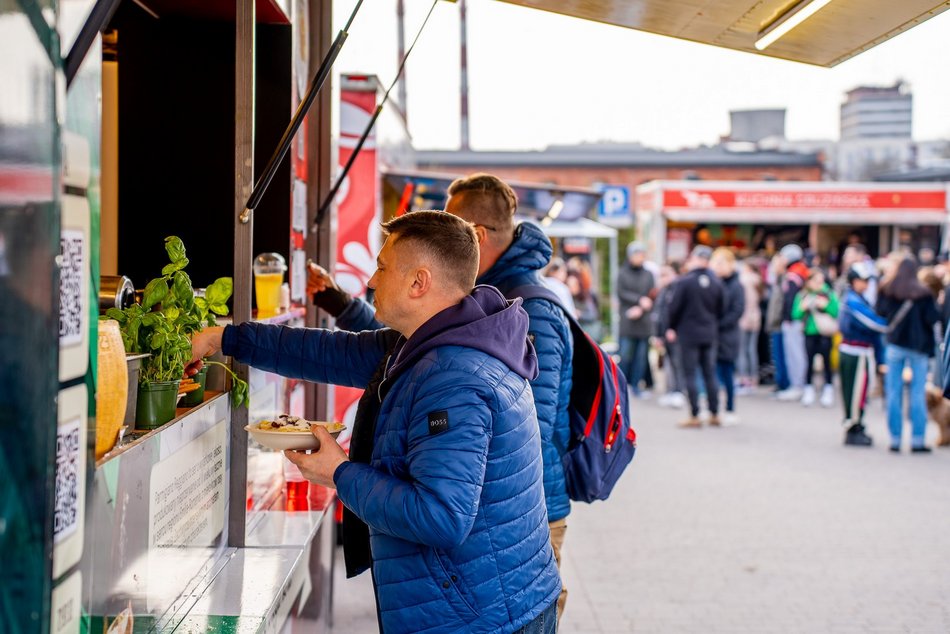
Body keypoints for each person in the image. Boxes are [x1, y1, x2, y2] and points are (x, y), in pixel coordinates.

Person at [190, 211, 561, 632]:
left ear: (419, 282)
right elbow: (326, 352)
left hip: (483, 618)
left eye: (382, 268)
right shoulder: (431, 341)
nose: (370, 280)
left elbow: (440, 516)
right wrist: (224, 338)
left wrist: (339, 473)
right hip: (485, 602)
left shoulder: (453, 378)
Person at [877, 256, 940, 453]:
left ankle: (895, 439)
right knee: (917, 393)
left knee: (893, 392)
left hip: (895, 344)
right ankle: (917, 440)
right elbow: (933, 318)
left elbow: (880, 312)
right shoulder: (924, 293)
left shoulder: (888, 289)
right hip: (918, 347)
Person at [666, 245, 724, 428]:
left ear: (696, 258)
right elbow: (721, 308)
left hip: (688, 333)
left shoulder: (685, 282)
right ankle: (714, 413)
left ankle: (695, 414)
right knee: (709, 373)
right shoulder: (716, 282)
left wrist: (671, 327)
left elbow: (674, 308)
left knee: (690, 374)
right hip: (709, 332)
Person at [837, 262, 886, 446]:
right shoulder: (853, 301)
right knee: (855, 391)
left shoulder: (858, 298)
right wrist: (892, 322)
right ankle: (853, 427)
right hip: (855, 352)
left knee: (860, 390)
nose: (865, 284)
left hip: (859, 351)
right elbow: (874, 323)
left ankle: (856, 424)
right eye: (862, 280)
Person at [792, 269, 839, 408]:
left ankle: (828, 388)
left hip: (825, 333)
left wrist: (826, 306)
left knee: (827, 362)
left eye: (821, 281)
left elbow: (836, 312)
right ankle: (808, 388)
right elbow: (795, 314)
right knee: (809, 361)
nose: (819, 284)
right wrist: (803, 307)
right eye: (816, 281)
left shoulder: (829, 294)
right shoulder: (803, 295)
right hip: (809, 332)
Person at [711, 248, 744, 424]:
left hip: (728, 336)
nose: (718, 267)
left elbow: (737, 311)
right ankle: (714, 409)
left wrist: (717, 324)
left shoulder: (736, 285)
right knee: (713, 374)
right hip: (712, 336)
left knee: (727, 373)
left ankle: (730, 408)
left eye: (721, 263)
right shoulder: (714, 283)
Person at [618, 241, 656, 398]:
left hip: (644, 322)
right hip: (628, 322)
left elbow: (652, 294)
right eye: (637, 254)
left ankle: (636, 386)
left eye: (642, 254)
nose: (640, 257)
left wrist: (643, 306)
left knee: (641, 358)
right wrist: (638, 301)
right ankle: (621, 386)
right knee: (625, 356)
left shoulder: (648, 274)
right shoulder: (622, 273)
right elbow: (621, 293)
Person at [777, 244, 810, 401]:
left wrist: (788, 318)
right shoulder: (801, 272)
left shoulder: (794, 275)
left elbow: (790, 300)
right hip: (798, 320)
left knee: (795, 354)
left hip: (794, 321)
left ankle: (797, 386)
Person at [652, 263, 686, 409]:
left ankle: (678, 391)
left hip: (675, 334)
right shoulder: (664, 291)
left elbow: (678, 312)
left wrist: (674, 329)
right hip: (665, 333)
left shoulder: (678, 290)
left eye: (666, 274)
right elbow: (659, 314)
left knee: (677, 363)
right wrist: (658, 335)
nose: (663, 278)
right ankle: (671, 391)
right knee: (668, 364)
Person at [737, 259, 764, 392]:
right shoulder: (759, 281)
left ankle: (744, 379)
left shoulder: (743, 280)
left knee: (742, 350)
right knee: (752, 349)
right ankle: (754, 378)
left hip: (744, 317)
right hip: (756, 317)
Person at [765, 252, 789, 394]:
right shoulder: (777, 281)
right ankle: (779, 382)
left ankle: (783, 383)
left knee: (780, 356)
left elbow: (780, 304)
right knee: (776, 355)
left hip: (779, 324)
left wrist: (775, 319)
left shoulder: (784, 280)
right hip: (775, 324)